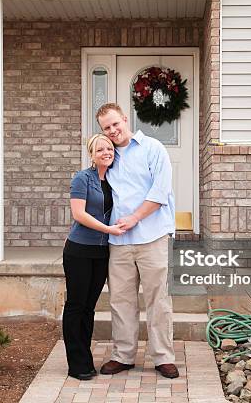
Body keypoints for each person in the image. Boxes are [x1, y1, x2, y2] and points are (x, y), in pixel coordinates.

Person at [95, 103, 178, 379]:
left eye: (115, 124)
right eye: (106, 128)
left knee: (158, 299)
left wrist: (134, 218)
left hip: (151, 236)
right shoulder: (106, 156)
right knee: (121, 301)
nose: (113, 131)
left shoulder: (152, 148)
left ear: (125, 119)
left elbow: (160, 191)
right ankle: (123, 355)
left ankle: (163, 357)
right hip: (118, 242)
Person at [62, 133, 126, 381]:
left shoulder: (113, 179)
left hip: (101, 252)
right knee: (76, 305)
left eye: (109, 148)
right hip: (79, 250)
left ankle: (85, 358)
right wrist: (109, 230)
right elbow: (79, 214)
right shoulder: (82, 178)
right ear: (91, 154)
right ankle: (76, 363)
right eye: (100, 150)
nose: (106, 153)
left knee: (89, 307)